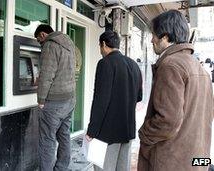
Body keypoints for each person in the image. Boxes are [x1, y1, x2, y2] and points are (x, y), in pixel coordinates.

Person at [138, 10, 214, 171]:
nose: (152, 40)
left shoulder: (170, 65)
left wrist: (144, 134)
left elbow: (167, 120)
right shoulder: (201, 70)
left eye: (154, 35)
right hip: (196, 160)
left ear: (165, 37)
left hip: (171, 161)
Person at [86, 31, 143, 171]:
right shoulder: (134, 65)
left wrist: (92, 130)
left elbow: (101, 100)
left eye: (100, 47)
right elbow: (139, 97)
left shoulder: (105, 63)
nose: (100, 51)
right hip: (128, 129)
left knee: (104, 167)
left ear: (104, 44)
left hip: (107, 133)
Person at [34, 24, 76, 171]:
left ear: (43, 35)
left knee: (47, 140)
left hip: (54, 102)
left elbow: (46, 76)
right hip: (69, 99)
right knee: (64, 136)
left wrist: (41, 100)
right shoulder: (68, 43)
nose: (40, 43)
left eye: (39, 40)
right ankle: (61, 168)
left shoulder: (50, 45)